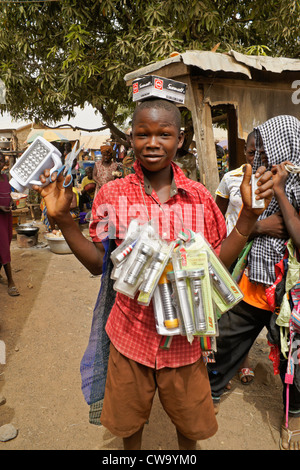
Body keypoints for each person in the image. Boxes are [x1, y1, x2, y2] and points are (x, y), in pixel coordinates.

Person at [32, 98, 273, 450]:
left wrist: (249, 220)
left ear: (180, 138)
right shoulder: (112, 195)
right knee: (129, 427)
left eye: (164, 134)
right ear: (131, 138)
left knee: (189, 429)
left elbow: (216, 260)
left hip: (185, 344)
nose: (153, 142)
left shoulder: (200, 199)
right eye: (143, 133)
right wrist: (65, 220)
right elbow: (99, 261)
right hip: (130, 338)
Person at [208, 115, 300, 450]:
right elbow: (247, 222)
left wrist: (281, 194)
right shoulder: (253, 178)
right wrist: (260, 225)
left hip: (291, 294)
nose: (259, 155)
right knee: (225, 339)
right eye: (256, 148)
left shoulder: (296, 184)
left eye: (263, 147)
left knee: (294, 355)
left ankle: (295, 417)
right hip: (256, 280)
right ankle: (210, 392)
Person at [0, 153, 19, 296]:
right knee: (4, 248)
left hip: (7, 216)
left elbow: (8, 194)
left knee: (5, 243)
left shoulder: (5, 177)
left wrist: (12, 202)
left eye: (1, 161)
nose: (0, 163)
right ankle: (11, 281)